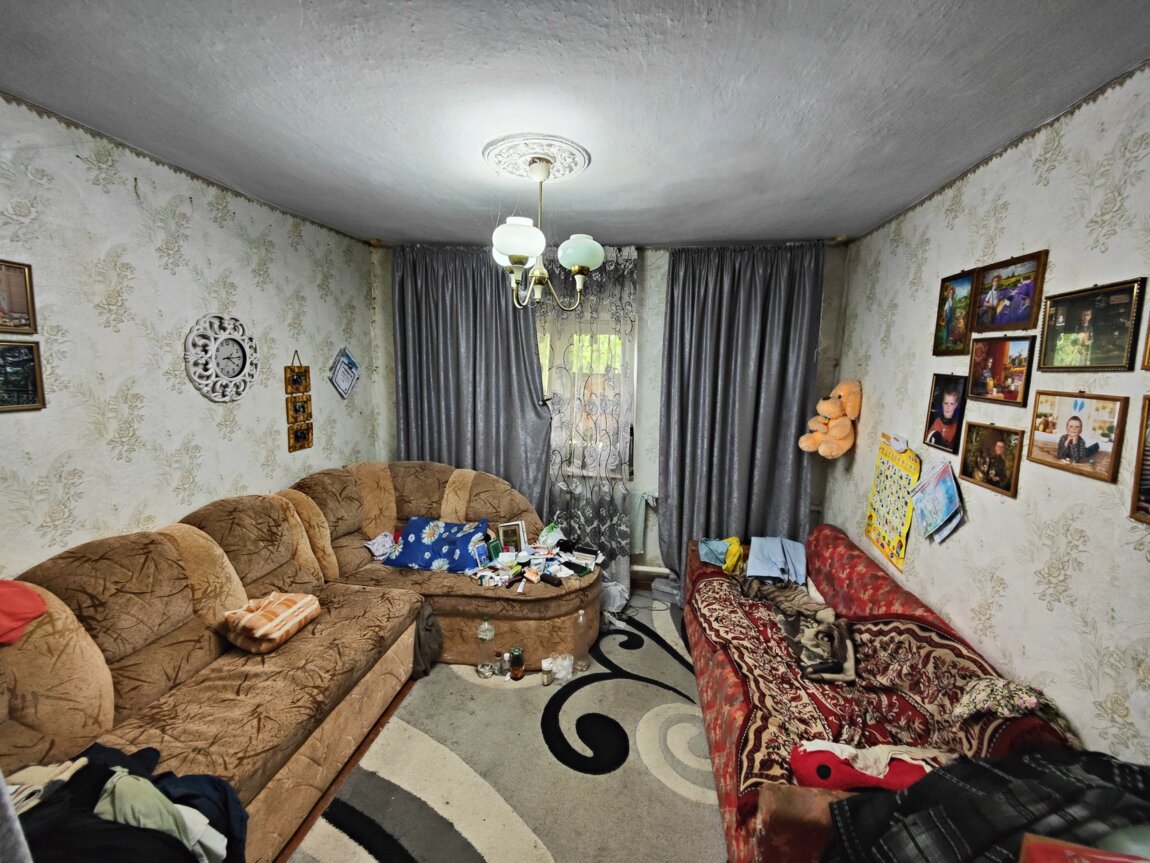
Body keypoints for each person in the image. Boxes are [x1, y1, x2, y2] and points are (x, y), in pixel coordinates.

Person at [926, 384, 962, 451]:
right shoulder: (937, 422)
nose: (948, 407)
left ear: (956, 405)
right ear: (942, 404)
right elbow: (927, 440)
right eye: (946, 403)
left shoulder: (957, 427)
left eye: (951, 404)